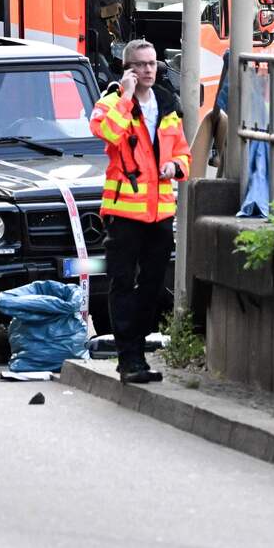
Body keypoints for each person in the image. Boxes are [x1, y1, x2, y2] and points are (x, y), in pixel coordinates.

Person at [89, 39, 191, 384]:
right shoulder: (111, 103)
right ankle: (129, 358)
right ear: (127, 68)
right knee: (121, 284)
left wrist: (175, 167)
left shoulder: (166, 103)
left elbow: (183, 152)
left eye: (152, 64)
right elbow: (107, 134)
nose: (149, 70)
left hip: (160, 212)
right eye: (141, 65)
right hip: (124, 212)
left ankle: (136, 352)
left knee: (151, 286)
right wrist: (127, 97)